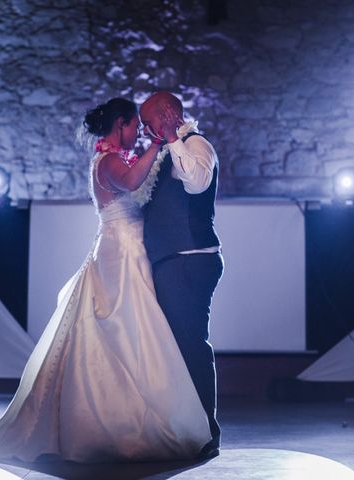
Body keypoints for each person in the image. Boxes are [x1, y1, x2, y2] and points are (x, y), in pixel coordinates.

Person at [0, 98, 211, 463]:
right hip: (121, 252)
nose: (140, 132)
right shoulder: (110, 160)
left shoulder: (117, 157)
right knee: (123, 330)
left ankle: (143, 412)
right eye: (136, 125)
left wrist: (162, 146)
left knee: (138, 335)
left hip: (133, 249)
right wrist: (158, 143)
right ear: (120, 125)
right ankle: (119, 421)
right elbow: (134, 182)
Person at [139, 92, 224, 458]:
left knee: (190, 346)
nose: (144, 130)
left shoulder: (196, 145)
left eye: (148, 121)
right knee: (175, 348)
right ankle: (183, 428)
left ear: (167, 115)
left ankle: (205, 433)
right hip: (173, 261)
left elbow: (197, 183)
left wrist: (173, 136)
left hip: (189, 260)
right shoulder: (165, 152)